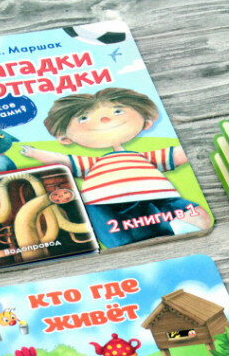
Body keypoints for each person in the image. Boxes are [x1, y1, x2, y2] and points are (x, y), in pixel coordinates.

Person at [21, 87, 211, 248]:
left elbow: (174, 155)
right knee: (117, 237)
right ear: (65, 138)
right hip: (103, 201)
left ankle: (178, 223)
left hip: (151, 193)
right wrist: (35, 153)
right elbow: (66, 162)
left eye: (118, 111)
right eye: (84, 118)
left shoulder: (141, 158)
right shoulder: (94, 164)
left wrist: (196, 143)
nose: (105, 119)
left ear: (146, 122)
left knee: (174, 215)